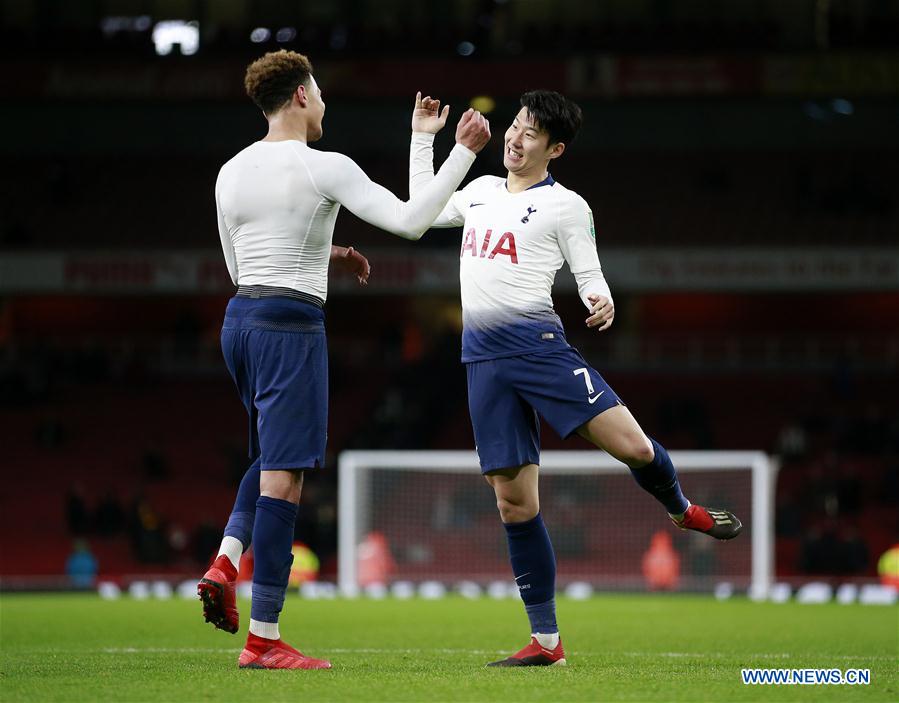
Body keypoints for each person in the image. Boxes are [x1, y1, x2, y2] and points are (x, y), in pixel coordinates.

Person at [410, 90, 741, 667]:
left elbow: (589, 272)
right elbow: (420, 208)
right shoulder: (480, 193)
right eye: (515, 126)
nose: (514, 138)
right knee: (514, 504)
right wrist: (422, 136)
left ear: (554, 148)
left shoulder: (567, 206)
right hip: (483, 362)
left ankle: (682, 509)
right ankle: (546, 644)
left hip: (540, 352)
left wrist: (599, 298)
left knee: (635, 447)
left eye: (530, 133)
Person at [198, 50, 491, 670]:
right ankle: (264, 639)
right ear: (302, 95)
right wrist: (458, 149)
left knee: (268, 460)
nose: (325, 102)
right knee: (287, 476)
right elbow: (412, 222)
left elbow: (239, 265)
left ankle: (225, 561)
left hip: (240, 324)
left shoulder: (229, 171)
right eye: (322, 92)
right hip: (290, 329)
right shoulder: (324, 166)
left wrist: (322, 253)